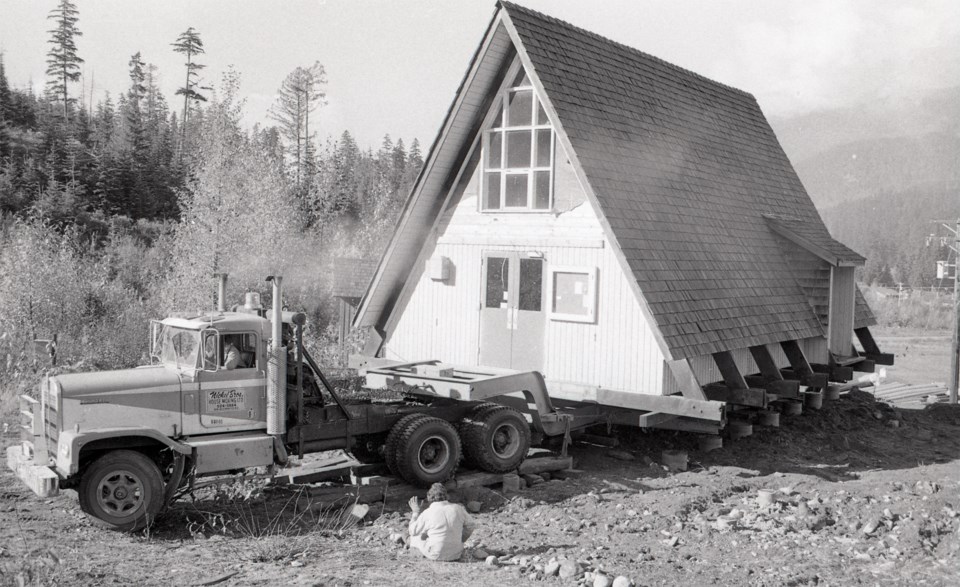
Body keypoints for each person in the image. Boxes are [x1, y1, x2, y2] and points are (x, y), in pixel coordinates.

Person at [407, 483, 475, 561]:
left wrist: (415, 512)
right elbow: (471, 525)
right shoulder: (458, 508)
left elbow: (412, 531)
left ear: (429, 497)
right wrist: (462, 539)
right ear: (446, 496)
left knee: (414, 537)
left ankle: (405, 541)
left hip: (436, 555)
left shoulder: (428, 512)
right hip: (457, 554)